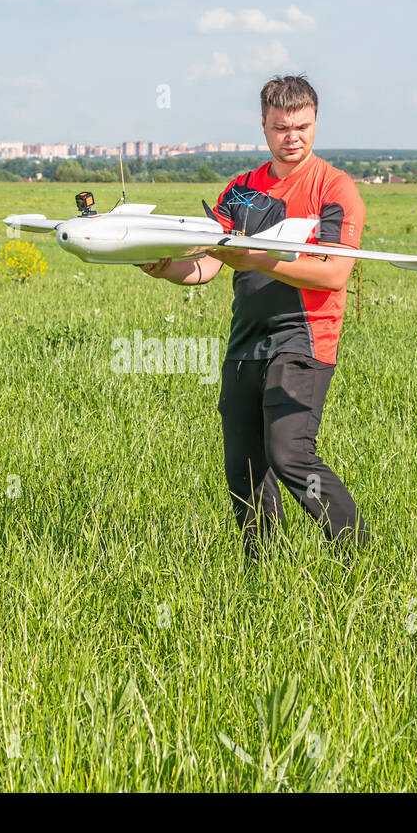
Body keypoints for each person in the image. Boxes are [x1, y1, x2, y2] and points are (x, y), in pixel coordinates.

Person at [138, 74, 370, 558]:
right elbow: (207, 264)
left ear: (315, 123)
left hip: (304, 340)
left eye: (303, 126)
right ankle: (261, 566)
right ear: (263, 125)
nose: (294, 137)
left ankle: (357, 553)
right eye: (282, 127)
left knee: (289, 454)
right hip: (246, 340)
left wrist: (261, 258)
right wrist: (164, 268)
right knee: (243, 463)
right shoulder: (240, 190)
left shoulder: (335, 188)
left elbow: (334, 274)